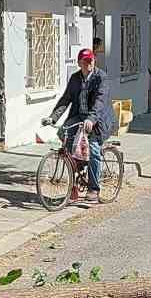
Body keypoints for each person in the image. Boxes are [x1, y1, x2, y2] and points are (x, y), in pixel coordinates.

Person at [47, 47, 112, 203]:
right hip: (79, 116)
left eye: (91, 60)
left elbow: (100, 101)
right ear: (79, 63)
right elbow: (66, 99)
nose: (88, 64)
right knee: (64, 134)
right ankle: (75, 182)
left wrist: (91, 119)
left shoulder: (101, 77)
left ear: (94, 61)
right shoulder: (75, 78)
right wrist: (53, 117)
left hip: (98, 120)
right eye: (85, 61)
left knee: (94, 150)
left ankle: (94, 189)